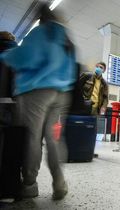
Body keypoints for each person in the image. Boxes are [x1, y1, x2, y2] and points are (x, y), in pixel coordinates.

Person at [0, 4, 75, 200]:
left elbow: (26, 58)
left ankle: (29, 185)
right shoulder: (66, 38)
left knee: (32, 138)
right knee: (54, 139)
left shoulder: (41, 32)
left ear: (40, 18)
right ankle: (59, 183)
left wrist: (6, 54)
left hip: (37, 92)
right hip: (62, 94)